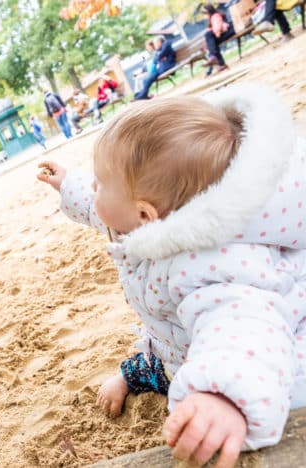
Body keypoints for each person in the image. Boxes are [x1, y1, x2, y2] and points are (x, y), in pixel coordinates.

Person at [37, 83, 306, 466]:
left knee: (180, 371)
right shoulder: (163, 214)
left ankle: (168, 380)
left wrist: (221, 395)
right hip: (178, 336)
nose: (93, 189)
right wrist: (69, 185)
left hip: (261, 354)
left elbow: (241, 329)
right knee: (158, 358)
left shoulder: (213, 265)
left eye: (100, 184)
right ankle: (140, 372)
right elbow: (105, 214)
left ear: (145, 214)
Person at [134, 35, 176, 100]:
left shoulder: (166, 45)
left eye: (155, 43)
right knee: (146, 80)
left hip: (167, 67)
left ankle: (141, 96)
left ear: (160, 42)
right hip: (161, 69)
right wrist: (160, 57)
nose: (155, 45)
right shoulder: (159, 50)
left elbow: (160, 55)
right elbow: (155, 60)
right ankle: (142, 95)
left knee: (148, 78)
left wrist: (160, 57)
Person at [202, 4, 234, 75]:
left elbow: (217, 28)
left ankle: (214, 60)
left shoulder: (215, 16)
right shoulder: (211, 19)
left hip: (226, 32)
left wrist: (215, 34)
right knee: (212, 44)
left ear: (209, 12)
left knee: (209, 35)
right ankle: (221, 64)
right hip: (221, 34)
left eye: (205, 13)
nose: (204, 16)